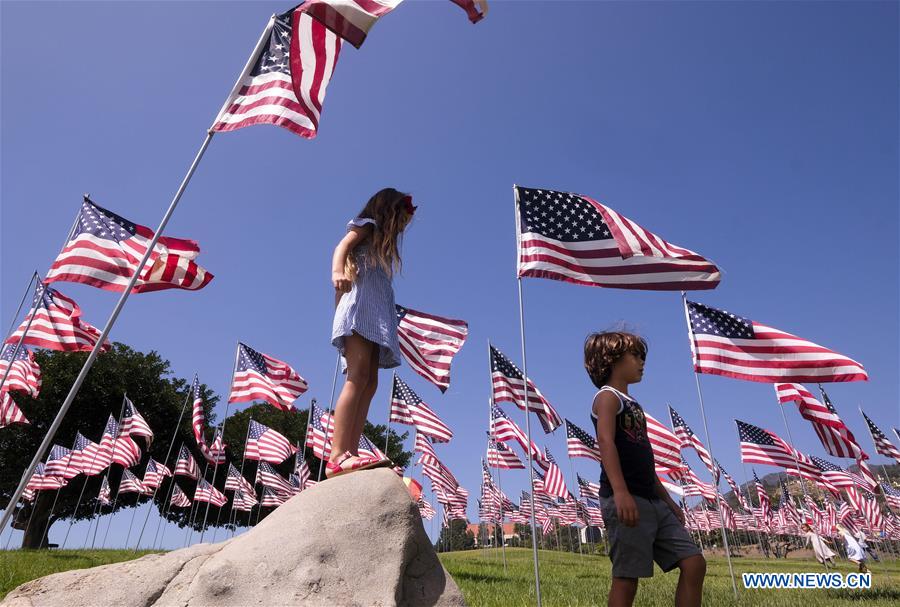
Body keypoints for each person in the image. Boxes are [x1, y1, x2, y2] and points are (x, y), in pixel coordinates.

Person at [586, 331, 706, 607]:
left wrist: (668, 501)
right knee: (627, 579)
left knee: (694, 563)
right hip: (627, 500)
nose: (642, 362)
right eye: (636, 355)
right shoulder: (607, 398)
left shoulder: (634, 406)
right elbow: (605, 441)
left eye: (643, 356)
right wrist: (620, 492)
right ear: (612, 359)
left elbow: (645, 461)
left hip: (653, 501)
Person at [326, 188, 416, 478]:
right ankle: (337, 454)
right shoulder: (368, 226)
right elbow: (342, 247)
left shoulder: (382, 253)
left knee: (371, 382)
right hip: (359, 309)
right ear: (387, 211)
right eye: (400, 219)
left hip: (375, 317)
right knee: (357, 377)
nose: (401, 227)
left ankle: (351, 451)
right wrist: (337, 272)